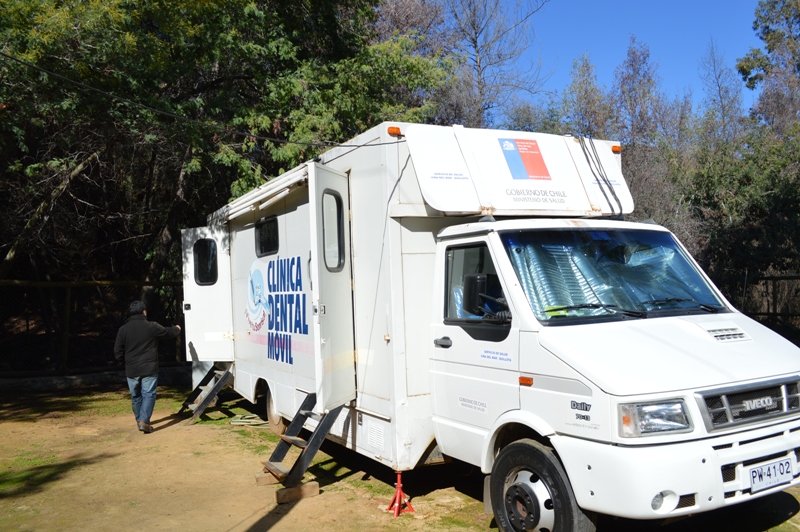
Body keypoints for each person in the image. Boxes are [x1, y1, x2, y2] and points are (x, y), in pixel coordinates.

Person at [114, 300, 182, 433]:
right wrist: (177, 329)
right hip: (149, 368)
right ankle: (144, 421)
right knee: (149, 394)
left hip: (131, 369)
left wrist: (124, 362)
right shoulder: (151, 326)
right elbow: (168, 333)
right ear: (144, 312)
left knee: (136, 396)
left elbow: (118, 351)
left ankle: (140, 420)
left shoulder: (123, 330)